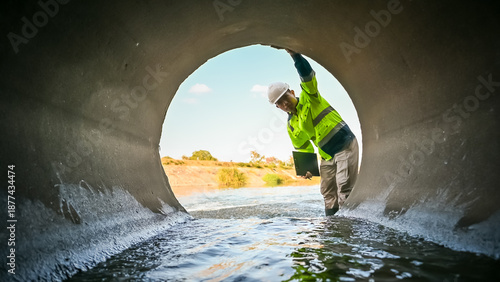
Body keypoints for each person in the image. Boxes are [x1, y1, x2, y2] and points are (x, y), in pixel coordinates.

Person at [267, 48, 359, 216]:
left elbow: (307, 76)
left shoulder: (310, 96)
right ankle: (332, 229)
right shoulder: (292, 125)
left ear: (292, 93)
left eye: (285, 97)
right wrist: (307, 169)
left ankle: (348, 228)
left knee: (344, 188)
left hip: (344, 144)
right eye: (280, 103)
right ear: (277, 107)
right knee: (327, 192)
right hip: (327, 155)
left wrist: (295, 56)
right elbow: (304, 148)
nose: (284, 103)